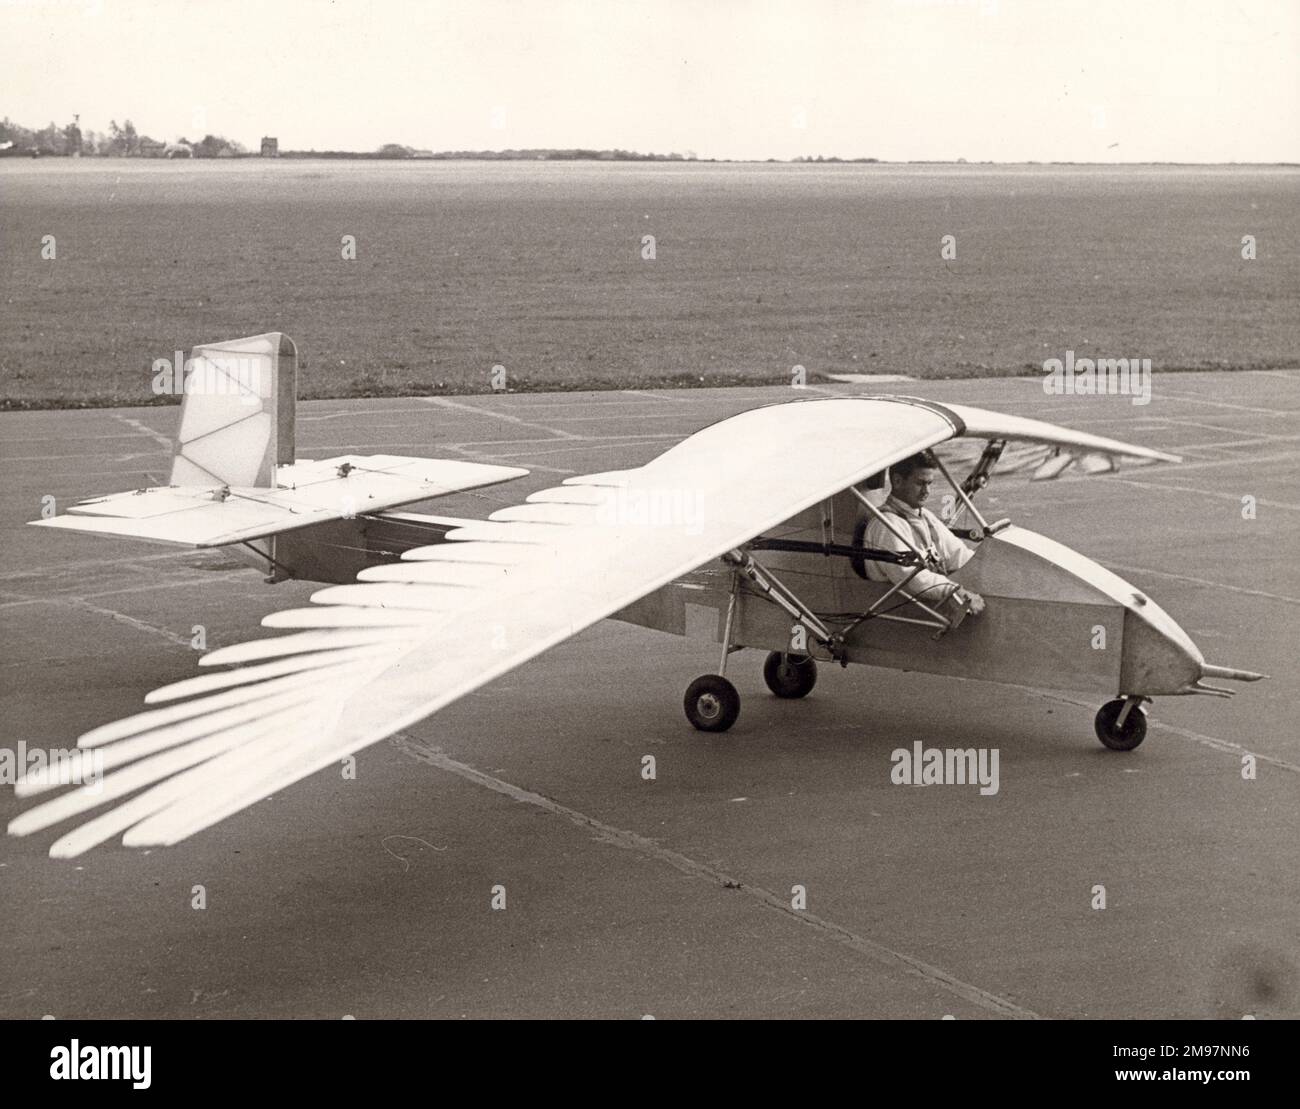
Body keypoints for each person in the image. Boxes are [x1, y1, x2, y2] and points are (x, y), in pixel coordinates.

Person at [861, 451, 985, 618]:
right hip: (899, 612)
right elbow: (911, 578)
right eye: (920, 483)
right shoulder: (887, 524)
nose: (927, 491)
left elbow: (958, 554)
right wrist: (955, 591)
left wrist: (990, 570)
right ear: (897, 481)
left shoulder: (923, 515)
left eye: (930, 483)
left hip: (923, 603)